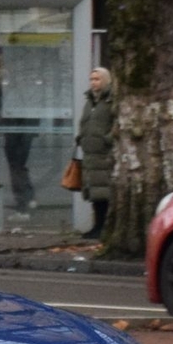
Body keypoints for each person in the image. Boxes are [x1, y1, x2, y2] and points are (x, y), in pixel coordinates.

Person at [75, 66, 116, 243]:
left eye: (97, 79)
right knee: (94, 193)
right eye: (92, 79)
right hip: (90, 154)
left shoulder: (111, 100)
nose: (93, 83)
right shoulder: (90, 101)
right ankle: (97, 226)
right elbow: (86, 122)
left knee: (103, 193)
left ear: (105, 80)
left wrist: (107, 139)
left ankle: (102, 227)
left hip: (104, 154)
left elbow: (117, 123)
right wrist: (82, 137)